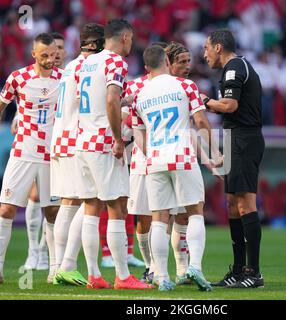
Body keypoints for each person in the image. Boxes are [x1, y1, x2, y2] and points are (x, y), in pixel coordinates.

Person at [131, 44, 221, 291]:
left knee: (159, 219)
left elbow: (139, 134)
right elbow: (200, 120)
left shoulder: (141, 93)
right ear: (168, 62)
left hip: (155, 159)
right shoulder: (185, 86)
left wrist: (152, 155)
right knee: (195, 212)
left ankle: (161, 276)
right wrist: (215, 152)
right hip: (181, 156)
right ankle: (195, 267)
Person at [74, 18, 152, 290]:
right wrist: (118, 139)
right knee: (118, 207)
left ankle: (94, 275)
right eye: (131, 38)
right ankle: (122, 276)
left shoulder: (86, 62)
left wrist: (123, 100)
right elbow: (110, 100)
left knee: (91, 207)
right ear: (125, 37)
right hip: (104, 142)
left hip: (82, 141)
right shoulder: (116, 62)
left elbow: (87, 99)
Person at [0, 33, 62, 284]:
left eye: (53, 55)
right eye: (44, 55)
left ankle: (55, 270)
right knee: (6, 207)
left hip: (52, 155)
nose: (49, 60)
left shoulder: (66, 79)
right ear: (34, 54)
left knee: (52, 212)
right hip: (23, 151)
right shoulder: (19, 77)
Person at [202, 29, 265, 288]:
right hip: (234, 138)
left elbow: (230, 106)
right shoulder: (233, 68)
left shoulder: (233, 67)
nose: (204, 54)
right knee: (231, 205)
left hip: (244, 139)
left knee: (245, 205)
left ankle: (254, 273)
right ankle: (238, 271)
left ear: (218, 47)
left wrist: (202, 100)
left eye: (206, 48)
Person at [50, 24, 105, 287]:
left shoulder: (70, 66)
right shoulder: (89, 67)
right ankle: (67, 265)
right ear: (96, 43)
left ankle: (59, 267)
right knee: (92, 200)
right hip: (76, 139)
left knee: (69, 203)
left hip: (60, 137)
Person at [18, 32, 68, 272]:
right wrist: (18, 118)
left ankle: (54, 259)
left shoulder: (66, 78)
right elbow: (26, 106)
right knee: (37, 197)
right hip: (37, 146)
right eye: (50, 50)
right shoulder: (31, 79)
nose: (54, 55)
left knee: (58, 205)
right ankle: (34, 252)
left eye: (58, 49)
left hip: (62, 146)